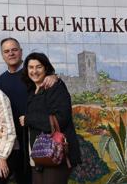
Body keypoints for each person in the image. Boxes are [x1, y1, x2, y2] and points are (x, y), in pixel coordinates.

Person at [0, 37, 57, 184]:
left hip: (35, 134)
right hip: (14, 138)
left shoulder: (32, 73)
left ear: (21, 52)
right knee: (20, 177)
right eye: (6, 51)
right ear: (2, 55)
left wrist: (53, 76)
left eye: (14, 50)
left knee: (37, 177)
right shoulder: (2, 79)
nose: (11, 53)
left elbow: (48, 79)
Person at [19, 52, 81, 184]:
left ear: (46, 68)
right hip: (39, 155)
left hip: (55, 153)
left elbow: (61, 118)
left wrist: (29, 119)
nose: (34, 71)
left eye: (39, 67)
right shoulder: (31, 90)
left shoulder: (55, 86)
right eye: (31, 67)